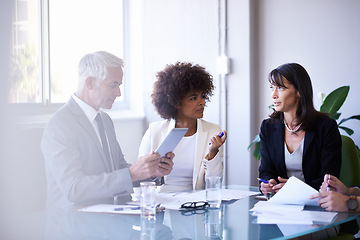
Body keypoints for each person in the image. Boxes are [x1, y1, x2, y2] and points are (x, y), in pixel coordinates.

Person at [41, 51, 174, 209]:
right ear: (89, 83)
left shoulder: (104, 120)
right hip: (73, 223)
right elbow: (74, 188)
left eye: (119, 85)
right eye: (113, 85)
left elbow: (117, 168)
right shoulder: (59, 125)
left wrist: (150, 173)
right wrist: (132, 173)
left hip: (107, 215)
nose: (118, 93)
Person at [138, 62, 227, 191]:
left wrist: (213, 153)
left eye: (202, 96)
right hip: (161, 203)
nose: (201, 102)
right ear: (176, 102)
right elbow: (140, 179)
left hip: (194, 205)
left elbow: (214, 183)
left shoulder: (213, 131)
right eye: (193, 98)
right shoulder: (155, 131)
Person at [258, 63, 341, 196]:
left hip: (317, 203)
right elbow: (266, 170)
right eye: (272, 88)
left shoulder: (326, 127)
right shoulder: (268, 127)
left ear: (299, 92)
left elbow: (329, 178)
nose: (273, 95)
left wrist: (294, 188)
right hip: (281, 204)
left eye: (280, 88)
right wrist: (268, 184)